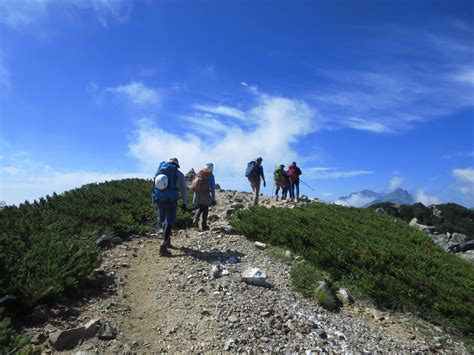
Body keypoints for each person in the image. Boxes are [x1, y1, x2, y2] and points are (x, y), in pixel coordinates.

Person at [154, 157, 187, 255]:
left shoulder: (160, 170)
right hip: (171, 200)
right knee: (169, 221)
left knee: (163, 219)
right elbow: (184, 190)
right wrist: (184, 203)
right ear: (177, 165)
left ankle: (167, 240)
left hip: (160, 198)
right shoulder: (179, 174)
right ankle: (163, 245)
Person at [192, 163, 216, 231]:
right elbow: (213, 187)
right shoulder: (211, 175)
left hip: (197, 194)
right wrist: (213, 198)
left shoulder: (199, 173)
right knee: (205, 209)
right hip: (205, 194)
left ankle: (195, 219)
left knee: (200, 207)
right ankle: (204, 226)